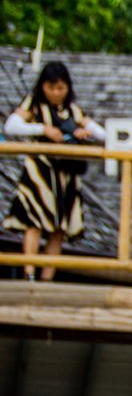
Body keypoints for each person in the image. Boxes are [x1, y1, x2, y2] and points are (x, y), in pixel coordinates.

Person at [4, 61, 104, 282]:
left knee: (60, 227)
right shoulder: (34, 105)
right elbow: (11, 125)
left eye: (61, 88)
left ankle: (47, 278)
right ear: (43, 87)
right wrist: (43, 129)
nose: (56, 93)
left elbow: (100, 132)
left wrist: (84, 133)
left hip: (66, 175)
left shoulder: (73, 110)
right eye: (51, 88)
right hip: (39, 174)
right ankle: (29, 272)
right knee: (34, 221)